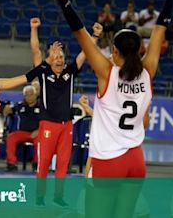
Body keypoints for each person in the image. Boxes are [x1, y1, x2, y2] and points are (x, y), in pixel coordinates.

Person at [48, 0, 172, 216]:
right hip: (136, 160)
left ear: (114, 51)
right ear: (139, 50)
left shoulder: (107, 73)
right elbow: (160, 29)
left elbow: (80, 33)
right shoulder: (148, 72)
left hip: (108, 161)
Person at [29, 17, 102, 207]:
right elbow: (35, 51)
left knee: (62, 163)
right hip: (48, 124)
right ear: (49, 58)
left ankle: (58, 196)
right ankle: (39, 197)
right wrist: (34, 29)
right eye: (56, 56)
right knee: (44, 162)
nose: (59, 59)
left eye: (61, 56)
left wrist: (94, 36)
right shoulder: (43, 72)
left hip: (66, 125)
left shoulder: (70, 72)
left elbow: (85, 53)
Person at [5, 85, 41, 172]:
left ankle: (37, 164)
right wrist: (6, 109)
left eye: (31, 94)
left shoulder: (42, 106)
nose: (29, 97)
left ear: (35, 94)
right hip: (22, 132)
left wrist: (39, 130)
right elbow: (9, 110)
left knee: (40, 140)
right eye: (26, 95)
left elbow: (47, 121)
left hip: (37, 132)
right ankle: (11, 163)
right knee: (11, 137)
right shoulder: (20, 105)